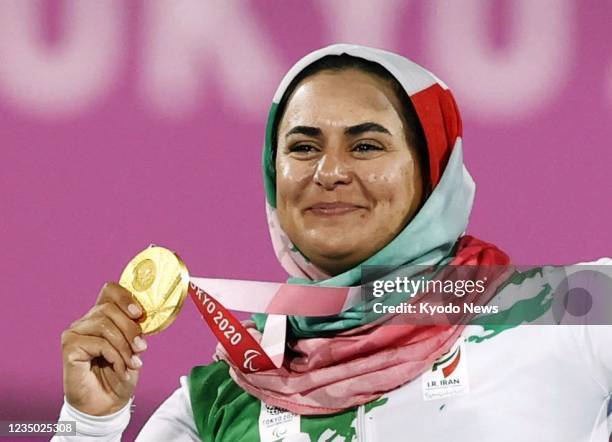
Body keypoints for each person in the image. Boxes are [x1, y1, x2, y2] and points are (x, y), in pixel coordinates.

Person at [54, 44, 612, 441]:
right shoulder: (225, 397)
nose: (329, 171)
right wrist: (89, 423)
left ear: (433, 170)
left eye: (366, 146)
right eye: (302, 146)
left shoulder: (564, 313)